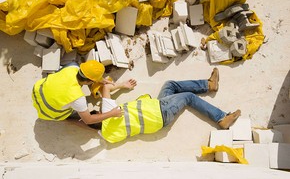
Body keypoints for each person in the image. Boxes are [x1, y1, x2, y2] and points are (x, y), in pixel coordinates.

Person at [97, 68, 241, 143]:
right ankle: (221, 118)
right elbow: (106, 88)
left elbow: (93, 123)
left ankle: (209, 85)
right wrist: (122, 85)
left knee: (170, 85)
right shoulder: (108, 112)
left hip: (157, 111)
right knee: (189, 97)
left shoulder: (109, 136)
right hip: (160, 112)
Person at [32, 60, 123, 124]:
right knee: (84, 107)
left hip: (37, 93)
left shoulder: (72, 67)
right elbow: (88, 120)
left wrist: (99, 79)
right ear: (89, 82)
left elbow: (86, 75)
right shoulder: (78, 98)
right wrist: (112, 114)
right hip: (49, 112)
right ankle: (68, 119)